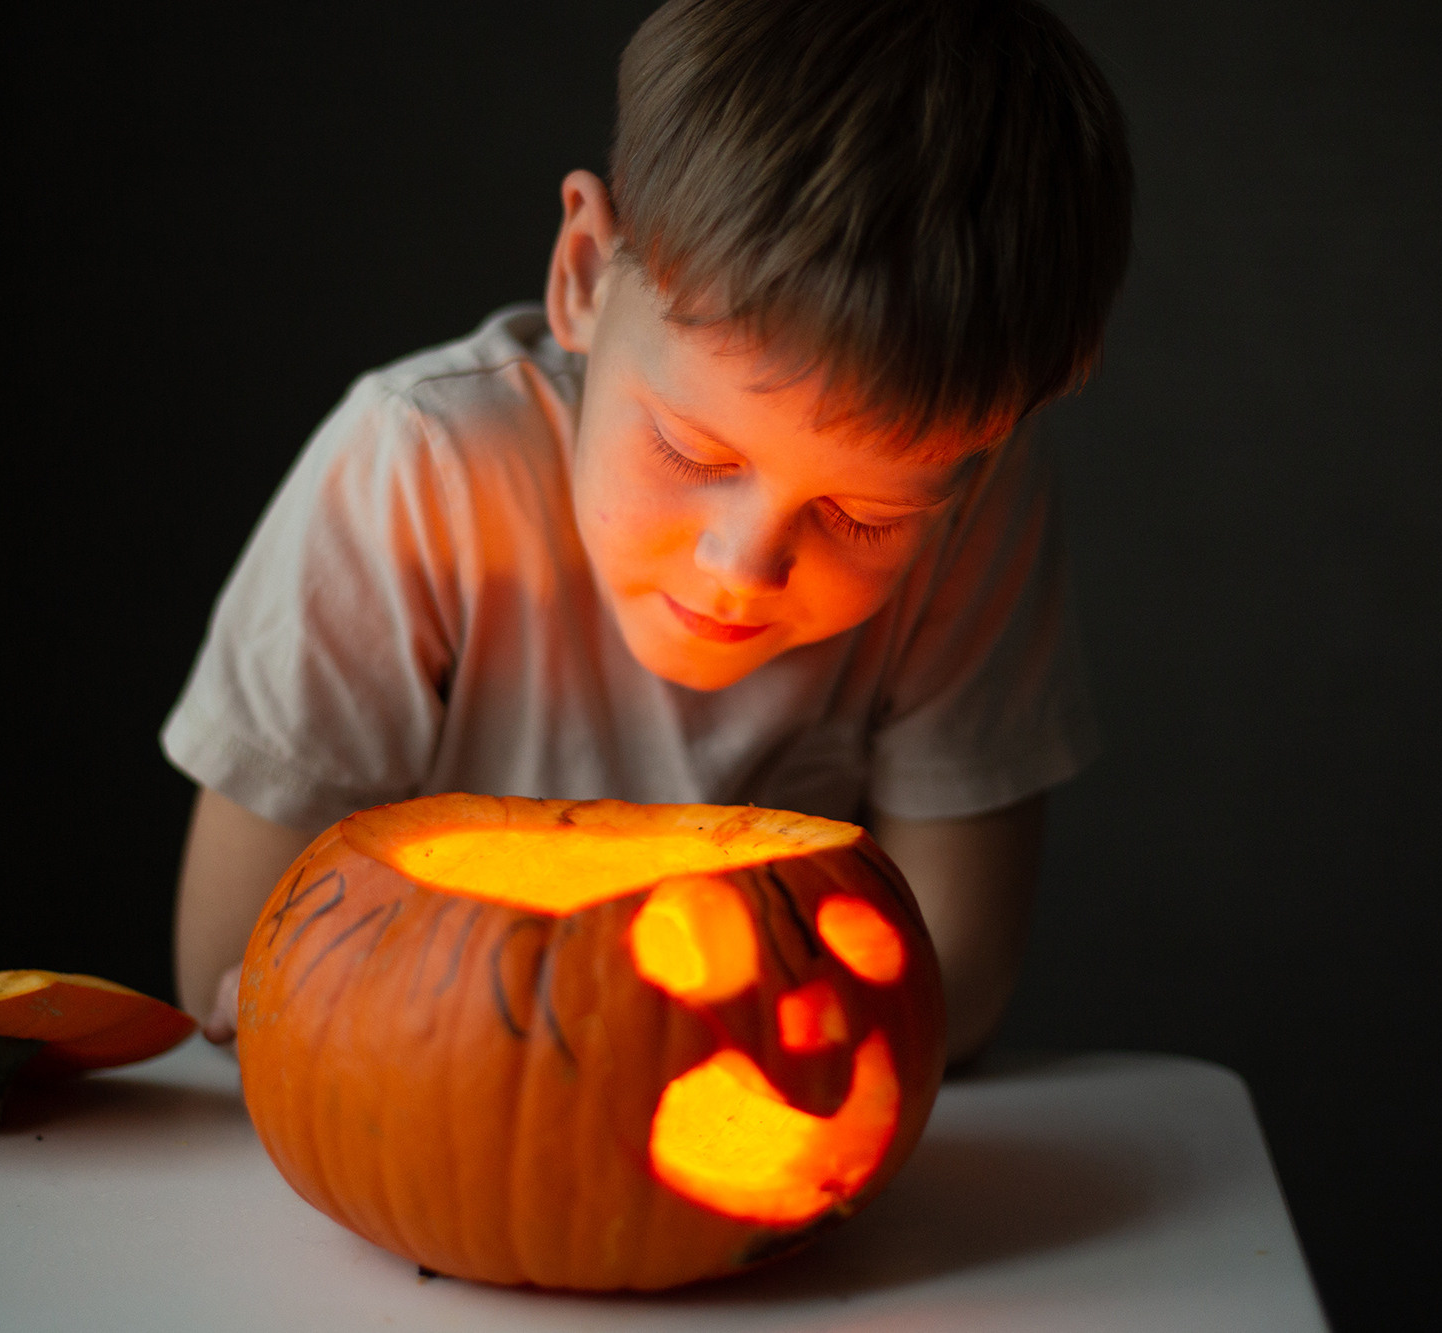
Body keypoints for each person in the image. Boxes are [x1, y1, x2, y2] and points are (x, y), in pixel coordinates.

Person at [162, 0, 1132, 1068]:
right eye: (694, 454)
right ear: (582, 273)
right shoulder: (416, 472)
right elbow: (232, 964)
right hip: (419, 1107)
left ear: (979, 456)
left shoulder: (973, 513)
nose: (743, 568)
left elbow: (958, 981)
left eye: (864, 515)